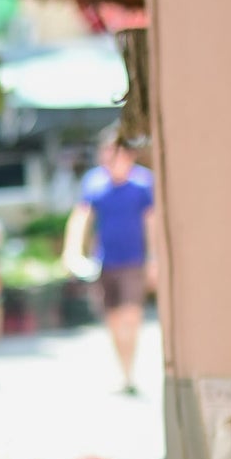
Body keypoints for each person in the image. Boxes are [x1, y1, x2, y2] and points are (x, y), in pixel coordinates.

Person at [62, 129, 155, 393]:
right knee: (114, 320)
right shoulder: (94, 183)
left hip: (133, 261)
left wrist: (154, 258)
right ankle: (124, 372)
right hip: (105, 262)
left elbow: (151, 222)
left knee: (131, 317)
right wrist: (72, 251)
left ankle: (130, 373)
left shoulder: (143, 183)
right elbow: (82, 217)